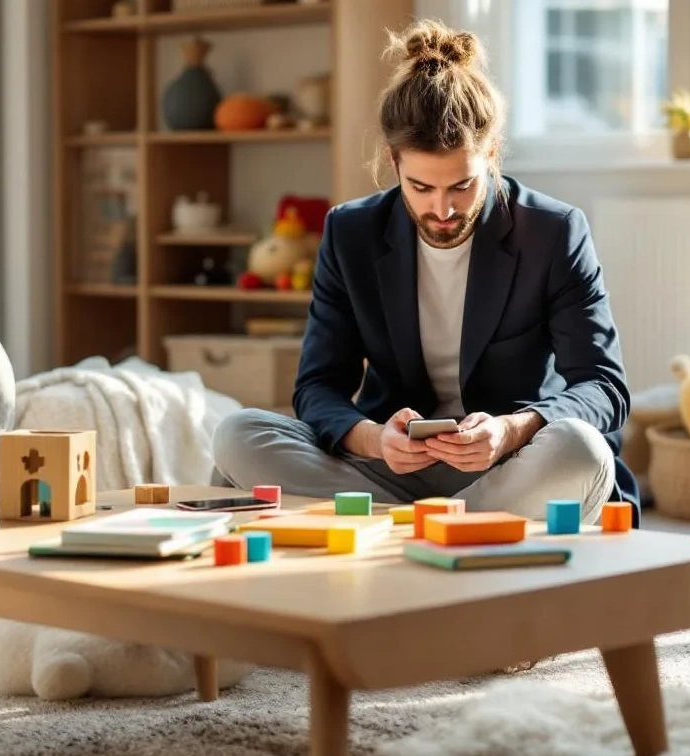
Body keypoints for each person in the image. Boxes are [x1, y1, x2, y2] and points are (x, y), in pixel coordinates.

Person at [211, 18, 638, 527]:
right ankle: (456, 529)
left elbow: (603, 386)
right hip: (388, 470)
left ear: (491, 155)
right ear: (394, 163)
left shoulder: (553, 232)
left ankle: (405, 526)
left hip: (508, 467)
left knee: (581, 448)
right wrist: (374, 439)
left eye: (461, 186)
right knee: (238, 434)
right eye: (421, 187)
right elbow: (318, 387)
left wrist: (511, 430)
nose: (443, 209)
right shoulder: (351, 233)